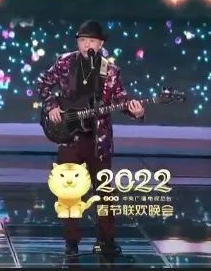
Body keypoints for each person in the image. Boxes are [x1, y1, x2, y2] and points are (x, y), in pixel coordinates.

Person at [37, 20, 145, 259]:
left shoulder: (111, 71)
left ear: (101, 44)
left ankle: (106, 240)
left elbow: (121, 100)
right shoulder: (65, 62)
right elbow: (42, 84)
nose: (87, 45)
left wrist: (136, 112)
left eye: (92, 41)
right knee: (69, 192)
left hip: (98, 140)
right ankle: (71, 241)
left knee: (104, 191)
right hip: (69, 137)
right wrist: (52, 105)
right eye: (83, 40)